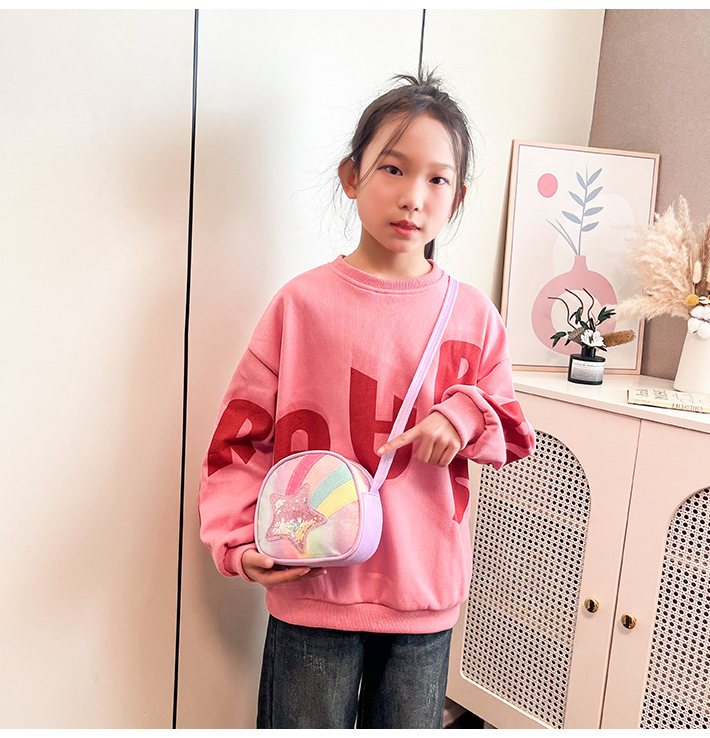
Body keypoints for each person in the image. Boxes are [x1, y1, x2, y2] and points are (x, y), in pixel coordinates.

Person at [198, 70, 536, 729]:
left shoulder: (472, 315)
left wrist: (462, 414)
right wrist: (238, 541)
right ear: (352, 177)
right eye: (393, 169)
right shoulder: (301, 305)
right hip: (311, 583)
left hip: (422, 595)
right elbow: (240, 437)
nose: (413, 196)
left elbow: (511, 427)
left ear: (458, 197)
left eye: (437, 180)